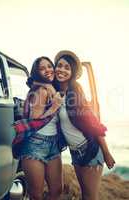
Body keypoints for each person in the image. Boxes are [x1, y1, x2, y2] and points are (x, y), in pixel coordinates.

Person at [54, 50, 115, 200]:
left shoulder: (75, 91)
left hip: (90, 150)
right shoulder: (55, 92)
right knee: (84, 195)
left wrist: (107, 153)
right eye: (59, 65)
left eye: (67, 67)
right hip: (75, 153)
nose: (62, 69)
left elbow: (94, 123)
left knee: (90, 197)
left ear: (72, 72)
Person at [20, 57, 63, 200]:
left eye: (49, 66)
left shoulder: (52, 88)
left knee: (57, 190)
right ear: (37, 72)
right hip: (35, 144)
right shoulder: (40, 91)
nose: (48, 70)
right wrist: (55, 106)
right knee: (36, 194)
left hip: (53, 144)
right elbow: (34, 119)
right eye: (42, 68)